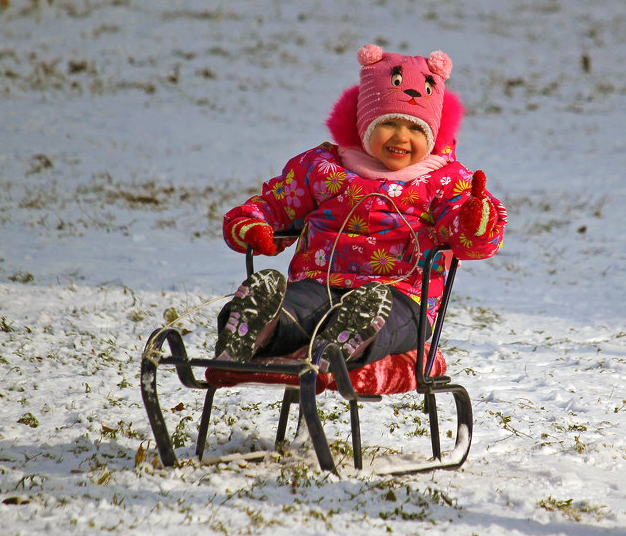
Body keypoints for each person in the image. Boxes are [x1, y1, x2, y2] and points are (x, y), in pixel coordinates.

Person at [215, 44, 506, 377]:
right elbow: (279, 202)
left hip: (402, 297)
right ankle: (257, 326)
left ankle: (348, 340)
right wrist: (252, 224)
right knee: (296, 310)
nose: (401, 137)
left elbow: (472, 242)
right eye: (389, 124)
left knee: (383, 319)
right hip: (320, 285)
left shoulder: (444, 180)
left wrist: (475, 223)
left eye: (415, 129)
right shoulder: (325, 167)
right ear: (365, 122)